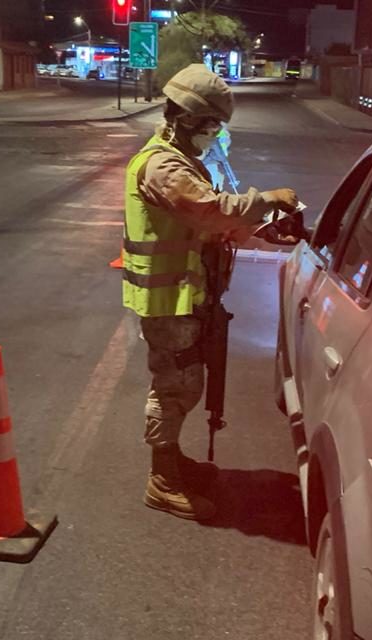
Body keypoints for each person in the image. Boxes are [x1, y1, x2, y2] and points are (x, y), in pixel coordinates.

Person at [122, 64, 299, 520]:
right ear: (188, 120)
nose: (215, 135)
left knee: (184, 385)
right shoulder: (162, 165)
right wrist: (270, 198)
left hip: (188, 296)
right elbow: (211, 209)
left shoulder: (183, 160)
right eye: (211, 126)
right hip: (169, 301)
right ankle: (162, 480)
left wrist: (260, 230)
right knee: (173, 388)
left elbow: (208, 224)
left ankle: (171, 461)